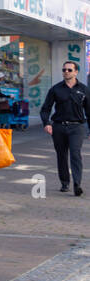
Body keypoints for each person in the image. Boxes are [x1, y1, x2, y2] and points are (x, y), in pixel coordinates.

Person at [40, 60, 90, 196]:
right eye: (64, 70)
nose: (66, 72)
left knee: (75, 154)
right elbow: (45, 109)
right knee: (61, 155)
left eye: (69, 70)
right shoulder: (55, 89)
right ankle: (64, 182)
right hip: (59, 127)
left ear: (76, 72)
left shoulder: (84, 89)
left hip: (77, 127)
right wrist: (47, 123)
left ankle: (77, 184)